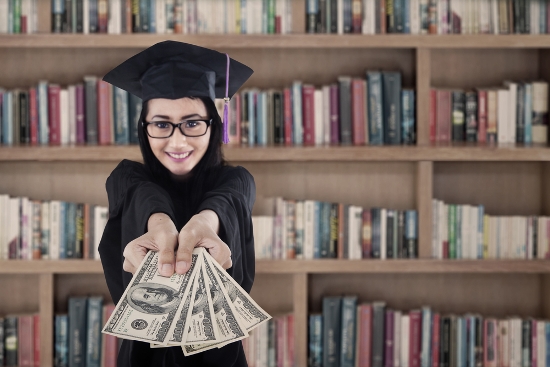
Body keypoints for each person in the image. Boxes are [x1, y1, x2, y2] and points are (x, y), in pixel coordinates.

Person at [98, 41, 256, 367]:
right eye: (161, 124)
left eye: (192, 122)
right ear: (144, 129)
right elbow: (140, 194)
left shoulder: (234, 180)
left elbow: (228, 200)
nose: (178, 141)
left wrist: (204, 224)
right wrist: (159, 223)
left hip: (218, 358)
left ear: (213, 125)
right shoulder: (127, 178)